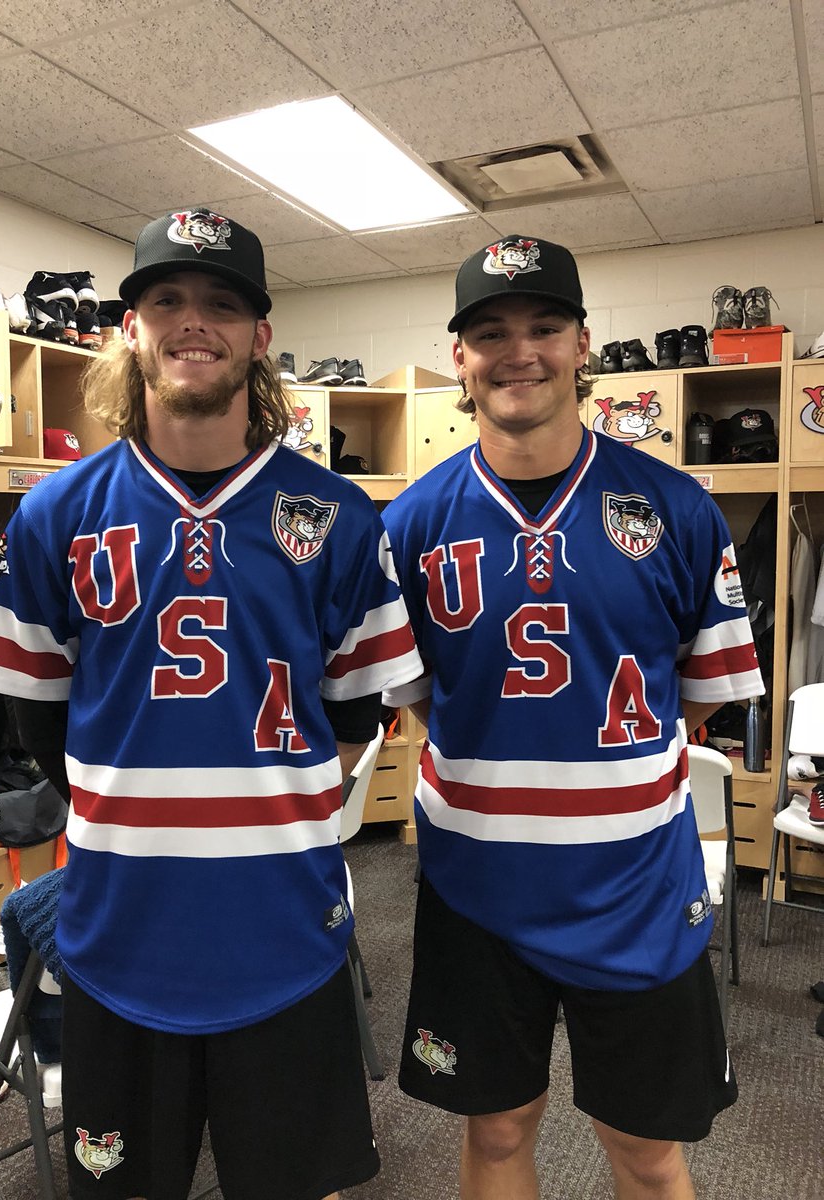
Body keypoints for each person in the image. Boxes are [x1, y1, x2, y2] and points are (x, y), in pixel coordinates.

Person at [0, 207, 421, 1200]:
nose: (192, 323)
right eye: (165, 300)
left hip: (287, 931)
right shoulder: (56, 513)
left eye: (222, 303)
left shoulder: (337, 517)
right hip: (119, 934)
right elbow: (38, 719)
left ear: (260, 336)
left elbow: (355, 714)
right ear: (130, 328)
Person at [381, 234, 763, 1200]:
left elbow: (701, 697)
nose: (521, 351)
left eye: (544, 326)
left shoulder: (676, 507)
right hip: (477, 889)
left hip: (633, 886)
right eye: (492, 331)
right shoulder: (410, 524)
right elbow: (425, 697)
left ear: (583, 342)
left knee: (644, 1148)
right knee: (500, 1134)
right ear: (459, 356)